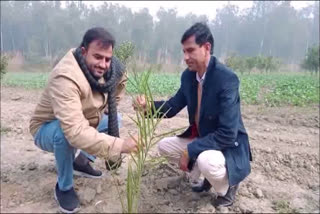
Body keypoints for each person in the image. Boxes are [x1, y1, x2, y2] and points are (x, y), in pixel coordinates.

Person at [134, 22, 252, 207]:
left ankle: (228, 186)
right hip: (204, 139)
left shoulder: (226, 79)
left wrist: (190, 150)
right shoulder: (189, 76)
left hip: (228, 146)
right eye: (184, 52)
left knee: (205, 160)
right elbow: (173, 106)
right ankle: (207, 179)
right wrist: (148, 106)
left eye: (190, 50)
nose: (186, 57)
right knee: (165, 146)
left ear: (206, 47)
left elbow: (228, 134)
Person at [29, 27, 138, 213]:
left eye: (107, 59)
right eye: (97, 57)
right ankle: (64, 187)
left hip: (82, 118)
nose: (103, 64)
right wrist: (121, 146)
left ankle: (81, 161)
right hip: (47, 128)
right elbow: (75, 132)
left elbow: (121, 80)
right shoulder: (65, 76)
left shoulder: (113, 69)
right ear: (83, 51)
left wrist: (111, 105)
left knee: (115, 118)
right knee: (65, 134)